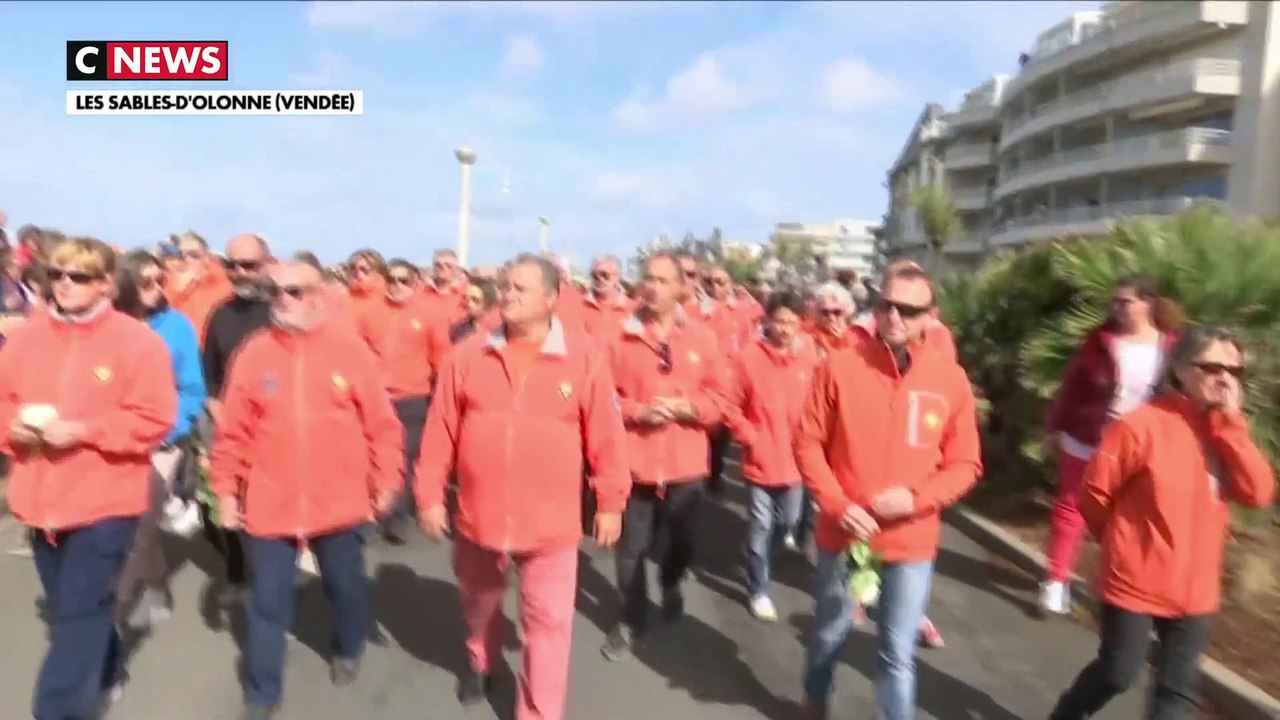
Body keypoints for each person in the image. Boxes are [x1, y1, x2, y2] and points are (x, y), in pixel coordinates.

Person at [415, 254, 629, 720]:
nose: (507, 295)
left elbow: (607, 437)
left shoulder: (584, 358)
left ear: (551, 299)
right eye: (505, 286)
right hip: (479, 514)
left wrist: (611, 502)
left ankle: (539, 711)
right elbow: (440, 431)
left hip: (551, 523)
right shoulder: (468, 354)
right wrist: (429, 494)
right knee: (479, 600)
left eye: (520, 289)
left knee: (549, 625)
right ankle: (481, 660)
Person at [1048, 325, 1275, 720]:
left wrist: (1232, 428)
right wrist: (1122, 544)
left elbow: (1257, 494)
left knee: (1177, 692)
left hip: (1197, 590)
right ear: (1180, 369)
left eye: (1234, 372)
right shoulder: (1141, 425)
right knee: (1118, 672)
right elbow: (1095, 493)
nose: (1224, 379)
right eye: (1212, 367)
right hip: (1136, 581)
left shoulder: (1226, 433)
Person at [210, 260, 403, 720]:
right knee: (267, 601)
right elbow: (232, 432)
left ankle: (348, 644)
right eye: (275, 291)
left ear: (320, 296)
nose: (282, 300)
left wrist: (387, 481)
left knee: (345, 585)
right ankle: (262, 690)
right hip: (270, 503)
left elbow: (382, 427)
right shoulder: (253, 354)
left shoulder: (351, 353)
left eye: (294, 291)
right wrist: (225, 491)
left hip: (340, 501)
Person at [0, 237, 178, 720]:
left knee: (76, 615)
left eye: (78, 276)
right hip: (39, 502)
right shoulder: (25, 339)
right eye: (57, 274)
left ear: (104, 284)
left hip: (105, 502)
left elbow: (154, 417)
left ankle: (55, 712)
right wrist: (12, 428)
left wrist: (83, 431)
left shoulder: (137, 342)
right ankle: (111, 665)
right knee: (76, 607)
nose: (64, 284)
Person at [794, 264, 982, 720]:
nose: (895, 316)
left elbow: (965, 464)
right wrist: (837, 504)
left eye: (909, 309)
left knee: (897, 652)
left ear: (930, 317)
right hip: (844, 534)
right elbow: (807, 441)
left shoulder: (950, 379)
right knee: (828, 634)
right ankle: (815, 703)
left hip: (910, 541)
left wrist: (916, 500)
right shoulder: (839, 365)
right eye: (887, 305)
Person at [601, 252, 726, 662]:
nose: (652, 286)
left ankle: (670, 581)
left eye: (662, 280)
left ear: (680, 288)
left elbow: (720, 400)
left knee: (684, 543)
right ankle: (632, 620)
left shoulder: (703, 339)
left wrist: (691, 408)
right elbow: (604, 401)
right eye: (647, 278)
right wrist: (640, 411)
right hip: (635, 465)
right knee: (630, 552)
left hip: (685, 467)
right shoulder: (619, 337)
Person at [1040, 274, 1181, 615]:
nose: (1117, 308)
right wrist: (1054, 426)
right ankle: (1055, 581)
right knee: (1072, 509)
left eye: (1125, 302)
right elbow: (1073, 386)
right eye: (1114, 302)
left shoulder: (1172, 346)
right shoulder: (1100, 340)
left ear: (1148, 302)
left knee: (1127, 518)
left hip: (1142, 446)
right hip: (1089, 435)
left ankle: (1115, 588)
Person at [112, 250, 208, 633]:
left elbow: (191, 389)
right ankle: (156, 586)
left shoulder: (176, 327)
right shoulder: (109, 326)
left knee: (137, 523)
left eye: (158, 280)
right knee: (134, 525)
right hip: (112, 441)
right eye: (145, 281)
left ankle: (113, 613)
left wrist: (168, 431)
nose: (155, 288)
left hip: (162, 442)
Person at [721, 289, 818, 621]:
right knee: (761, 525)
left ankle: (756, 553)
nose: (785, 329)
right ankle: (758, 589)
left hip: (795, 462)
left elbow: (819, 405)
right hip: (760, 461)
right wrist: (751, 437)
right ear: (768, 322)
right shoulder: (749, 358)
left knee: (787, 523)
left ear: (801, 325)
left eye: (792, 323)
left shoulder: (809, 358)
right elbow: (730, 406)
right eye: (779, 322)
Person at [201, 233, 276, 606]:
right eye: (232, 265)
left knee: (269, 511)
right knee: (222, 509)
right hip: (229, 430)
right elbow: (209, 375)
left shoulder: (283, 311)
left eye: (249, 265)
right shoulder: (220, 314)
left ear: (268, 265)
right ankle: (237, 577)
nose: (240, 272)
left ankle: (271, 581)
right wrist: (216, 407)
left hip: (276, 433)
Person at [356, 258, 450, 544]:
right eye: (392, 280)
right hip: (375, 398)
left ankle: (398, 517)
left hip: (413, 398)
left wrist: (440, 398)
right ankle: (370, 512)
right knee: (371, 457)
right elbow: (356, 351)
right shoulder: (370, 312)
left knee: (406, 459)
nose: (397, 286)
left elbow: (441, 358)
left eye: (403, 280)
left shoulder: (430, 313)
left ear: (415, 282)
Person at [165, 231, 232, 344]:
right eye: (181, 255)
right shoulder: (167, 284)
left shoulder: (224, 286)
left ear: (206, 258)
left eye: (194, 255)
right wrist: (177, 291)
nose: (187, 260)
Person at [449, 276, 499, 344]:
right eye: (467, 299)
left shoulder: (499, 331)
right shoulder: (459, 330)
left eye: (475, 300)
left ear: (488, 304)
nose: (469, 304)